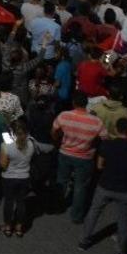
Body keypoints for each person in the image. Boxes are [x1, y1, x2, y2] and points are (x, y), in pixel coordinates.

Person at [80, 117, 127, 254]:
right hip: (124, 189)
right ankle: (121, 250)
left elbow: (99, 165)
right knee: (123, 220)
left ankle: (84, 241)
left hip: (105, 185)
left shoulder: (107, 145)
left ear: (116, 129)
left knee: (94, 212)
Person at [52, 90, 104, 223]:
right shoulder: (96, 121)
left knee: (61, 181)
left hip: (65, 153)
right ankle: (76, 216)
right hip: (85, 157)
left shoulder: (64, 116)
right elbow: (105, 138)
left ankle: (58, 207)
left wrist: (59, 142)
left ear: (73, 102)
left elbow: (54, 131)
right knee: (80, 187)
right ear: (86, 103)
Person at [0, 119, 40, 237]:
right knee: (21, 202)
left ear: (12, 133)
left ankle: (7, 227)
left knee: (9, 202)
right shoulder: (32, 143)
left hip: (9, 178)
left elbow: (3, 165)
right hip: (24, 177)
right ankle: (19, 228)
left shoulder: (6, 146)